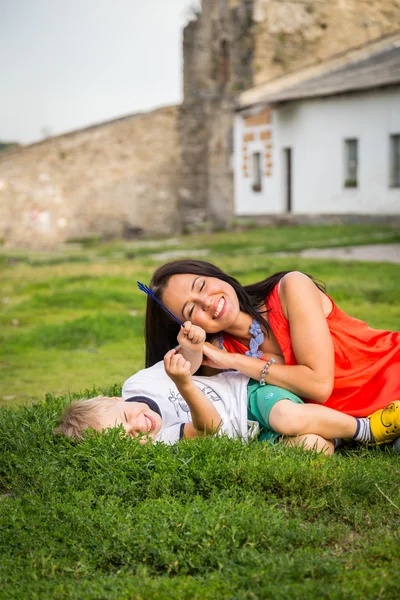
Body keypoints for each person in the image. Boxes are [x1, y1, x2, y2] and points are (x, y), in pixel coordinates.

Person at [144, 259, 400, 434]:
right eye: (191, 309)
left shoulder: (290, 288)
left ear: (215, 274)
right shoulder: (219, 351)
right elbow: (186, 370)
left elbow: (319, 386)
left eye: (201, 285)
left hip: (392, 371)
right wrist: (192, 346)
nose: (207, 302)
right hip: (375, 421)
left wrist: (235, 361)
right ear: (187, 324)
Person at [55, 325, 400, 453]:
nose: (138, 427)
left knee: (287, 417)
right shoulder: (157, 443)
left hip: (248, 395)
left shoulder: (139, 384)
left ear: (119, 399)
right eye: (130, 437)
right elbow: (210, 429)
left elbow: (185, 365)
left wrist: (190, 347)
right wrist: (186, 388)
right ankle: (337, 438)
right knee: (311, 450)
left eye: (127, 418)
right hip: (249, 436)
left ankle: (367, 430)